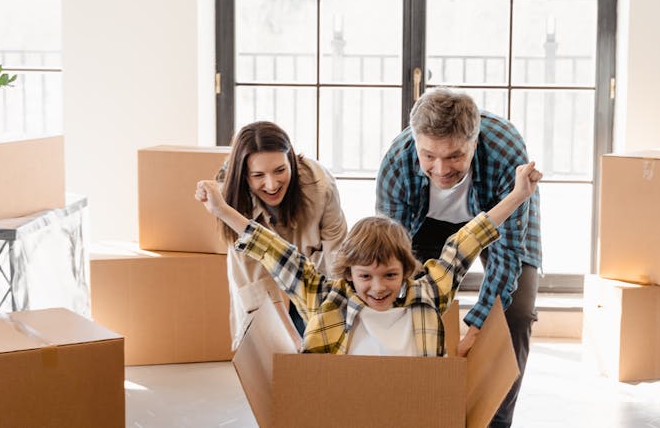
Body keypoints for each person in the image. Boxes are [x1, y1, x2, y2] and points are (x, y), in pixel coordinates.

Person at [195, 162, 541, 357]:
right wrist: (222, 210)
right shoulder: (327, 300)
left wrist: (517, 195)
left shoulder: (428, 294)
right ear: (348, 274)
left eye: (390, 275)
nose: (378, 288)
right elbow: (273, 249)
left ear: (407, 271)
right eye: (365, 277)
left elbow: (466, 242)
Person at [375, 88, 542, 426]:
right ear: (416, 142)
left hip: (497, 217)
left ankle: (494, 420)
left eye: (454, 156)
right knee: (408, 301)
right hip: (425, 224)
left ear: (474, 141)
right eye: (429, 156)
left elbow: (507, 252)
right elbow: (389, 253)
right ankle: (419, 408)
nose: (440, 169)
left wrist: (478, 324)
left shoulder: (506, 152)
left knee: (516, 312)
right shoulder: (397, 162)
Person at [215, 121, 347, 349]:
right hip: (260, 279)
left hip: (312, 273)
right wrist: (293, 341)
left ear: (292, 162)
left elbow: (338, 253)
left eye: (280, 170)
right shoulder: (231, 202)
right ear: (244, 175)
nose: (272, 184)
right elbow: (258, 284)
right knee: (275, 348)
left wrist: (338, 318)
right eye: (258, 175)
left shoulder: (320, 185)